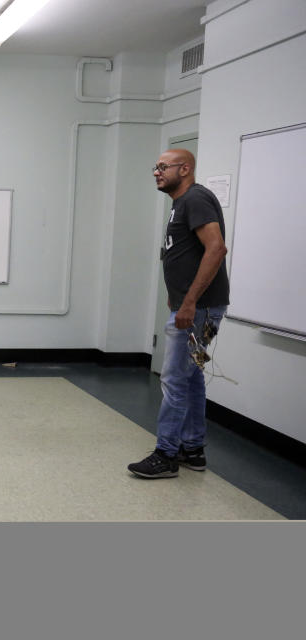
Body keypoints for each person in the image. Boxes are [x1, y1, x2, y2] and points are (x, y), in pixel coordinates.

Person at [128, 149, 230, 479]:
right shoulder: (181, 203)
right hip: (198, 308)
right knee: (192, 375)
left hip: (198, 311)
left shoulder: (196, 199)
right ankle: (193, 448)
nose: (156, 172)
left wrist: (188, 304)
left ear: (184, 169)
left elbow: (216, 248)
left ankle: (167, 454)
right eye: (155, 166)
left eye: (163, 167)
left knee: (174, 378)